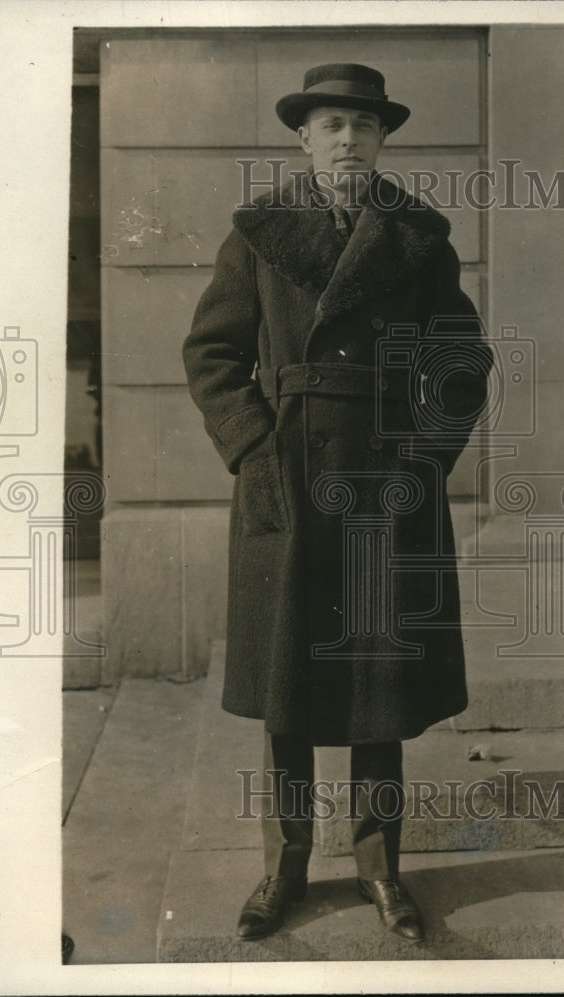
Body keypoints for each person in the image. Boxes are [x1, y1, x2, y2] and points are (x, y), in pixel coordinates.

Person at [183, 63, 492, 944]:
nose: (347, 139)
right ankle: (282, 870)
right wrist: (254, 452)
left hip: (385, 488)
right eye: (330, 125)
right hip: (288, 481)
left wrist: (421, 461)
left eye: (363, 125)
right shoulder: (258, 235)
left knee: (378, 690)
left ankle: (380, 870)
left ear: (384, 137)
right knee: (289, 689)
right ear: (303, 138)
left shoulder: (419, 239)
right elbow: (212, 356)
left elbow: (460, 364)